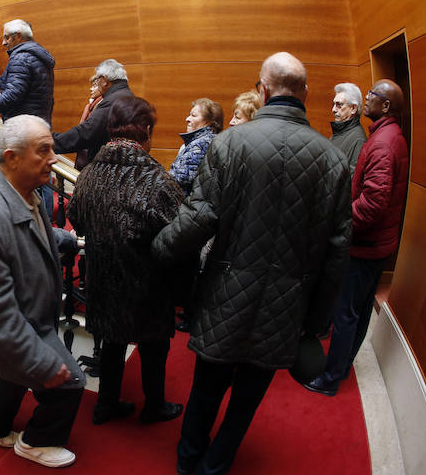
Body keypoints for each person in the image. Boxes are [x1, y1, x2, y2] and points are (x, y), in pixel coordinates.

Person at [152, 52, 351, 475]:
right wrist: (314, 323)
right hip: (286, 306)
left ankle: (188, 464)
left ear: (262, 90)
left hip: (225, 295)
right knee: (245, 403)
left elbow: (199, 218)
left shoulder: (229, 143)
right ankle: (215, 466)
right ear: (306, 94)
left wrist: (159, 250)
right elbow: (337, 252)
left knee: (206, 393)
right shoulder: (333, 160)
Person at [0, 115, 85, 469]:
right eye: (44, 150)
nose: (55, 158)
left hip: (25, 321)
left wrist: (69, 240)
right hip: (2, 332)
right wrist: (41, 362)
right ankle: (35, 442)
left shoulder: (19, 192)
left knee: (14, 377)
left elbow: (28, 237)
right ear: (11, 157)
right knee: (70, 384)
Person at [68, 96, 185, 426]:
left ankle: (105, 405)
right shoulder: (157, 182)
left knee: (112, 343)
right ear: (147, 131)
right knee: (153, 346)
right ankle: (154, 406)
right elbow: (183, 233)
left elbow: (76, 218)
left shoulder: (89, 175)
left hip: (103, 277)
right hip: (147, 284)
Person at [304, 79, 408, 397]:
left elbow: (373, 203)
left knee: (346, 312)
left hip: (365, 245)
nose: (367, 100)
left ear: (385, 106)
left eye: (372, 96)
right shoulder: (389, 136)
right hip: (377, 244)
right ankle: (343, 365)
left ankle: (331, 378)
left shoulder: (381, 143)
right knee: (360, 310)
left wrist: (343, 226)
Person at [52, 59, 134, 170]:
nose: (96, 83)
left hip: (108, 168)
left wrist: (52, 142)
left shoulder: (112, 101)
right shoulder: (127, 96)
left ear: (104, 80)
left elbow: (87, 133)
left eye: (97, 79)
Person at [169, 98, 223, 196]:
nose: (187, 119)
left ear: (209, 121)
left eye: (193, 115)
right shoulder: (203, 141)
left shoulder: (202, 144)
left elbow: (182, 177)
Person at [329, 82, 367, 169]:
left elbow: (352, 178)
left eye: (339, 105)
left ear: (353, 109)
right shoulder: (340, 131)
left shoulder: (358, 140)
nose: (333, 110)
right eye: (334, 104)